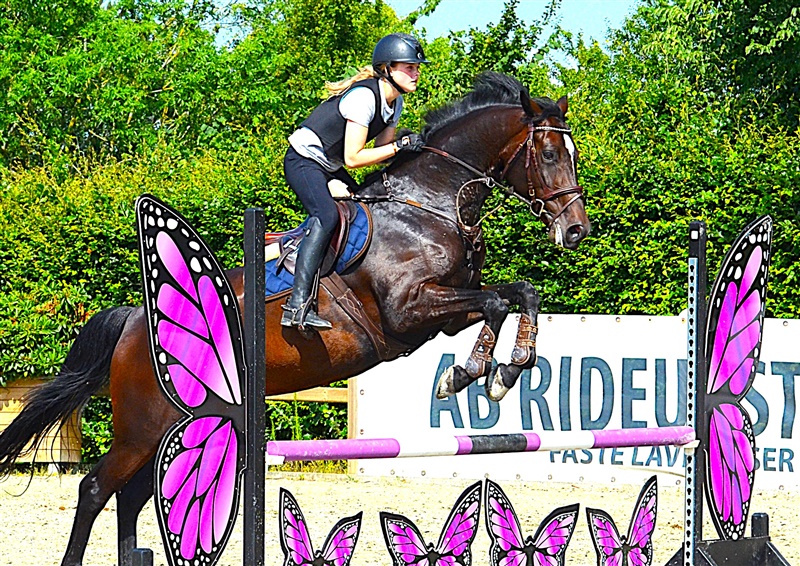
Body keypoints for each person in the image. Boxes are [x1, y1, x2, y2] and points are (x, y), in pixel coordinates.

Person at [281, 33, 430, 331]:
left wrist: (410, 148)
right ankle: (296, 306)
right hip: (303, 160)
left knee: (366, 207)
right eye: (409, 67)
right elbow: (354, 158)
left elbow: (382, 152)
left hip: (329, 166)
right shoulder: (363, 98)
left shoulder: (395, 103)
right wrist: (397, 147)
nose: (416, 73)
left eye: (417, 68)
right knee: (325, 215)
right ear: (387, 69)